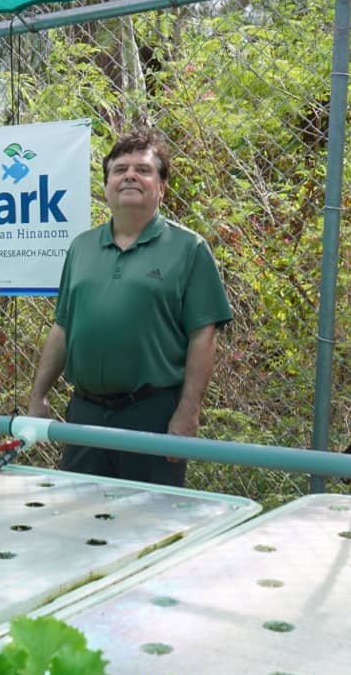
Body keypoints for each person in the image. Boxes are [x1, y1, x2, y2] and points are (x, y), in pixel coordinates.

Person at [26, 129, 232, 487]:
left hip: (150, 414)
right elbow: (62, 327)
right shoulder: (81, 248)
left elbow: (203, 335)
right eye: (120, 170)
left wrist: (187, 412)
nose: (130, 176)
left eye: (143, 169)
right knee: (78, 516)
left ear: (162, 187)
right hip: (84, 414)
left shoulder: (188, 249)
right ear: (106, 187)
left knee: (149, 522)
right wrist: (38, 396)